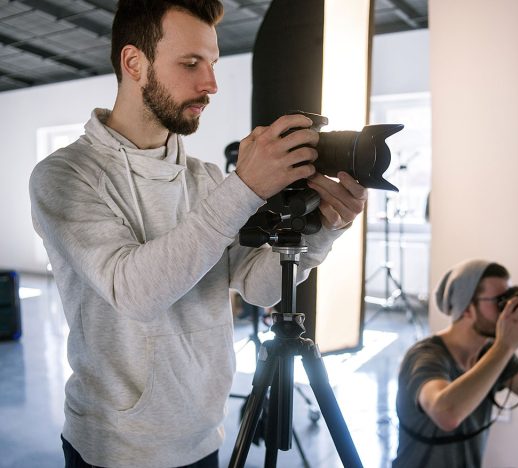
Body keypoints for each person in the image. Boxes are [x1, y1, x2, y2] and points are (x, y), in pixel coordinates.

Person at [29, 1, 367, 467]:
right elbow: (136, 293)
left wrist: (326, 228)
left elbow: (257, 285)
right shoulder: (66, 176)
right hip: (117, 448)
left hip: (206, 437)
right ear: (134, 63)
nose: (210, 84)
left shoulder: (206, 180)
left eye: (212, 64)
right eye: (190, 64)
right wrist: (244, 188)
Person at [393, 259, 518, 468]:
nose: (508, 310)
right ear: (467, 308)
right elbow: (447, 414)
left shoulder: (493, 355)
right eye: (500, 301)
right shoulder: (425, 356)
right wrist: (504, 346)